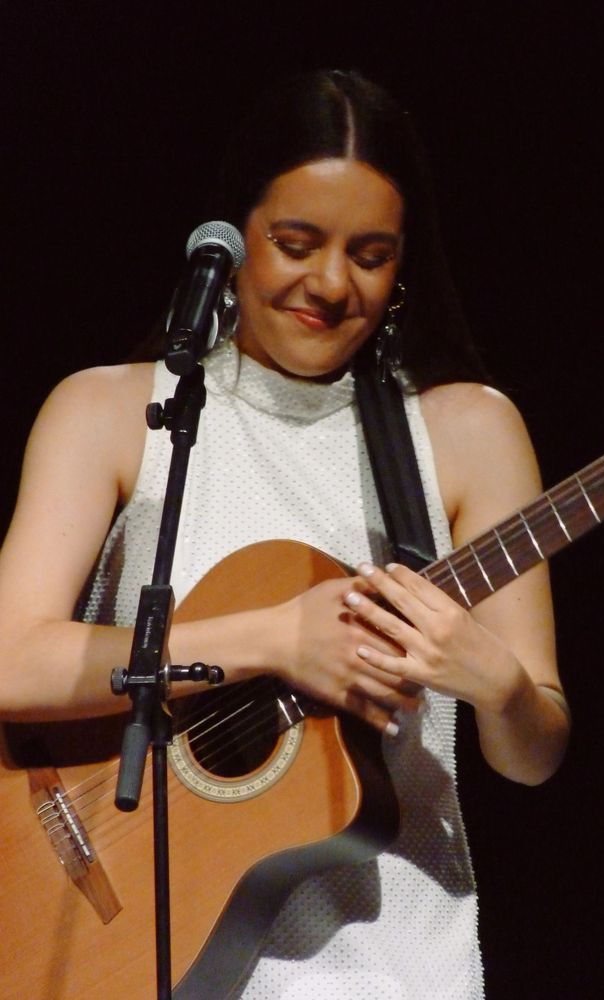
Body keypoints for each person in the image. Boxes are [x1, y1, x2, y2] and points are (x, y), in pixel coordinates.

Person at [0, 70, 569, 998]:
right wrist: (274, 638)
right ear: (232, 237)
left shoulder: (468, 433)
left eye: (371, 256)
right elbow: (11, 661)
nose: (332, 284)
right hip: (138, 953)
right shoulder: (108, 412)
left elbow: (533, 753)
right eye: (295, 244)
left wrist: (496, 681)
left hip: (397, 968)